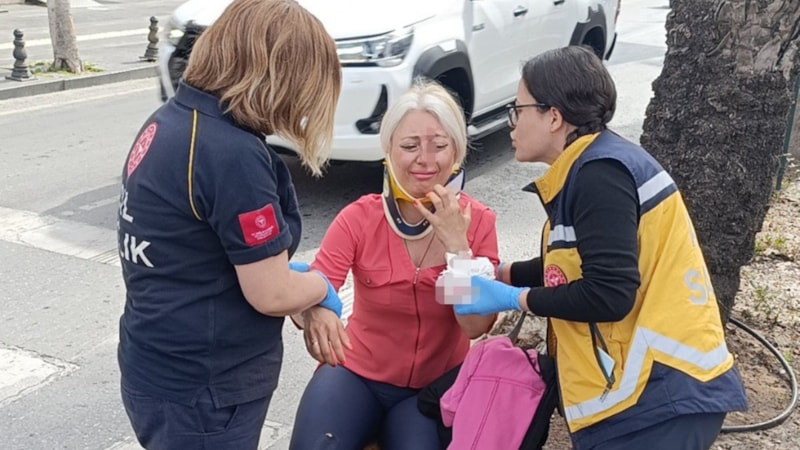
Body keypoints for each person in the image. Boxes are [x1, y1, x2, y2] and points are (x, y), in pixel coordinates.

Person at [444, 46, 748, 450]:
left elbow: (609, 293)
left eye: (518, 110)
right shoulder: (591, 166)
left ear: (554, 117)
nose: (511, 124)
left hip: (658, 395)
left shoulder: (599, 174)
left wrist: (512, 296)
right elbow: (573, 262)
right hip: (643, 396)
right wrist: (501, 273)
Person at [116, 1, 343, 448]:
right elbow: (271, 293)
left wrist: (287, 279)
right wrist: (320, 287)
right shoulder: (232, 155)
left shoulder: (171, 121)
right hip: (206, 388)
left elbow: (205, 252)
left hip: (156, 363)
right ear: (278, 77)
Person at [288, 81, 500, 450]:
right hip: (355, 375)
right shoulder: (359, 218)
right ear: (388, 150)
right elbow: (317, 286)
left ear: (457, 151)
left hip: (433, 386)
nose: (425, 159)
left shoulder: (478, 222)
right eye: (409, 146)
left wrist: (457, 249)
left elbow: (474, 327)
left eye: (439, 146)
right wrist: (315, 307)